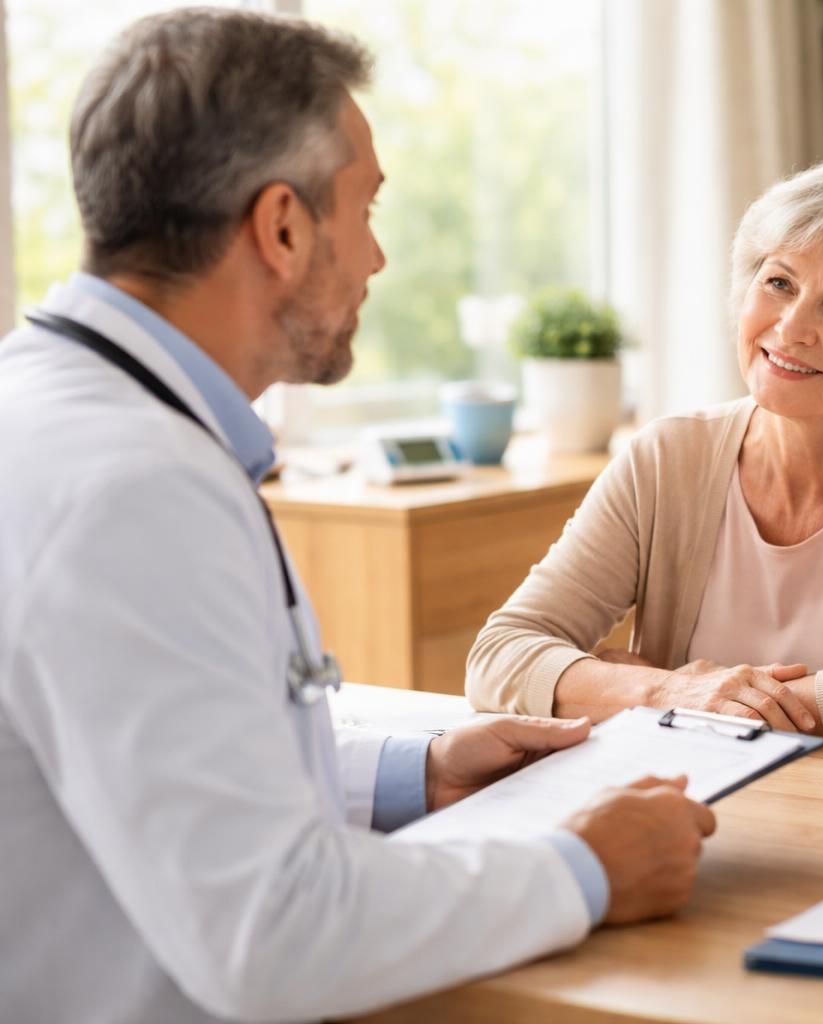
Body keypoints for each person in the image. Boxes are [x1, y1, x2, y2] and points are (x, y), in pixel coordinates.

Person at [0, 11, 715, 1023]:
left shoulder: (62, 415)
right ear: (283, 227)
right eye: (366, 208)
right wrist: (582, 869)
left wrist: (410, 775)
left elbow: (160, 762)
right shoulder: (131, 489)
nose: (378, 257)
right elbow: (274, 930)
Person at [467, 157, 823, 750]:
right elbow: (499, 656)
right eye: (779, 283)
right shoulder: (667, 458)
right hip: (673, 805)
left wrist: (690, 693)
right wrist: (666, 695)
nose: (791, 327)